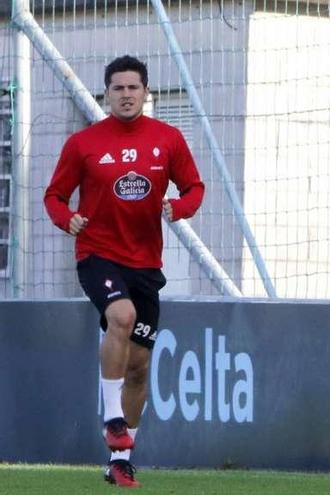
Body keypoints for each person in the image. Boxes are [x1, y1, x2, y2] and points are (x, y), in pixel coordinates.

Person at [44, 55, 204, 488]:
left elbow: (194, 187)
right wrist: (67, 218)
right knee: (121, 316)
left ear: (146, 92)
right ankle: (112, 416)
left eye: (134, 88)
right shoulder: (84, 144)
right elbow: (54, 196)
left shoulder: (167, 139)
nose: (126, 95)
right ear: (107, 94)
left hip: (146, 265)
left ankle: (120, 458)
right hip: (97, 254)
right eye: (118, 88)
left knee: (138, 368)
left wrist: (180, 207)